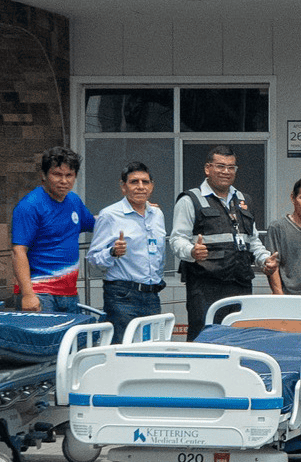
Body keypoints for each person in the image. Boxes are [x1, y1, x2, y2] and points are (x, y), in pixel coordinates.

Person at [169, 145, 277, 340]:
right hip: (205, 286)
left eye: (231, 167)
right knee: (205, 339)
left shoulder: (243, 200)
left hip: (240, 283)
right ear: (207, 168)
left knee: (238, 339)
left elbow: (252, 240)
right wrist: (192, 251)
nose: (226, 171)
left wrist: (264, 259)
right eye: (220, 166)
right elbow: (177, 239)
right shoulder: (190, 200)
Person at [11, 146, 96, 313]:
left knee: (72, 332)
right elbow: (18, 251)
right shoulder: (29, 206)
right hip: (39, 293)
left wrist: (136, 209)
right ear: (44, 175)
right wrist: (27, 294)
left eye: (69, 175)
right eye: (57, 174)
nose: (64, 181)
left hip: (69, 293)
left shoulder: (74, 201)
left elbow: (95, 223)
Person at [87, 162, 165, 342]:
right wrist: (112, 252)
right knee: (122, 347)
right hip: (123, 295)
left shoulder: (157, 215)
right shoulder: (109, 215)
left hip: (152, 295)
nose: (140, 186)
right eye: (134, 182)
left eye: (145, 182)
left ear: (152, 186)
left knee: (151, 348)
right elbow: (92, 258)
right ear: (123, 187)